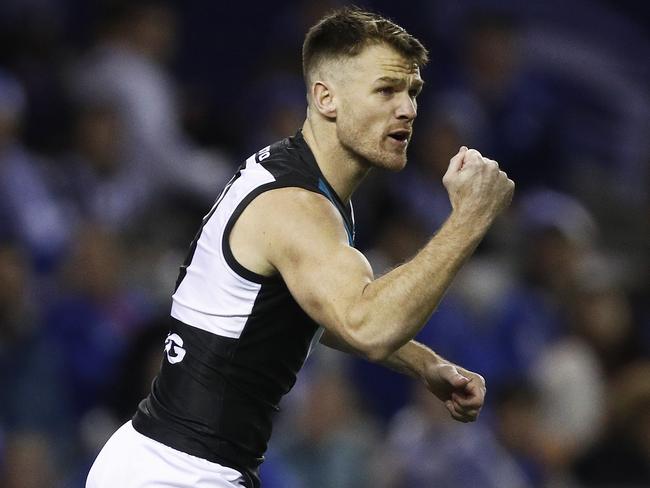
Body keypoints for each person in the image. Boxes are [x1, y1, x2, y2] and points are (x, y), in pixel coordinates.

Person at [86, 7, 514, 488]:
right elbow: (366, 325)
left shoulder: (304, 180)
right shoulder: (297, 207)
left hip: (163, 460)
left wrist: (425, 363)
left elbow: (308, 309)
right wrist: (470, 219)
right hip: (178, 471)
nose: (408, 109)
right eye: (386, 89)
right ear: (326, 98)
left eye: (412, 91)